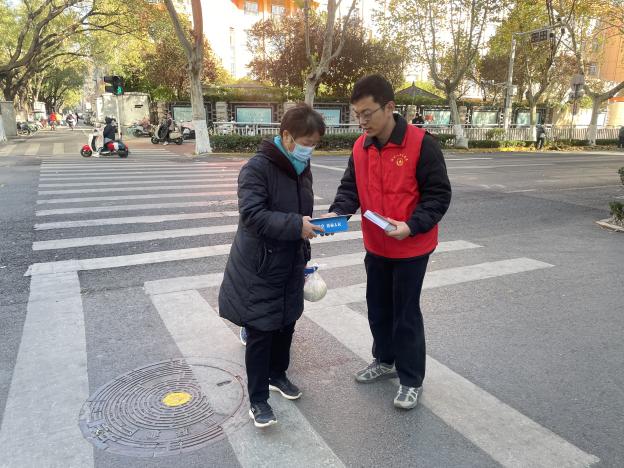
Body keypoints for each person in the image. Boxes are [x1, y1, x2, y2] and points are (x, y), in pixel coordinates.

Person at [324, 75, 451, 410]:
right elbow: (350, 188)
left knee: (405, 313)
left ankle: (411, 379)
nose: (362, 121)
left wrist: (411, 226)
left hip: (412, 247)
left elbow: (438, 196)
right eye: (357, 114)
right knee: (378, 307)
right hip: (376, 245)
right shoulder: (360, 147)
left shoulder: (421, 144)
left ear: (390, 107)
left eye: (367, 113)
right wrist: (336, 214)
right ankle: (384, 360)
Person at [218, 104, 326, 428]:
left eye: (314, 144)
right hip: (261, 265)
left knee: (287, 323)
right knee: (261, 331)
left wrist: (310, 229)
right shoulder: (256, 168)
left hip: (291, 259)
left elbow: (301, 212)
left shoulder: (301, 168)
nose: (310, 150)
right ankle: (258, 400)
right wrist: (296, 225)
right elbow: (252, 215)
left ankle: (278, 375)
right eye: (306, 143)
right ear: (287, 136)